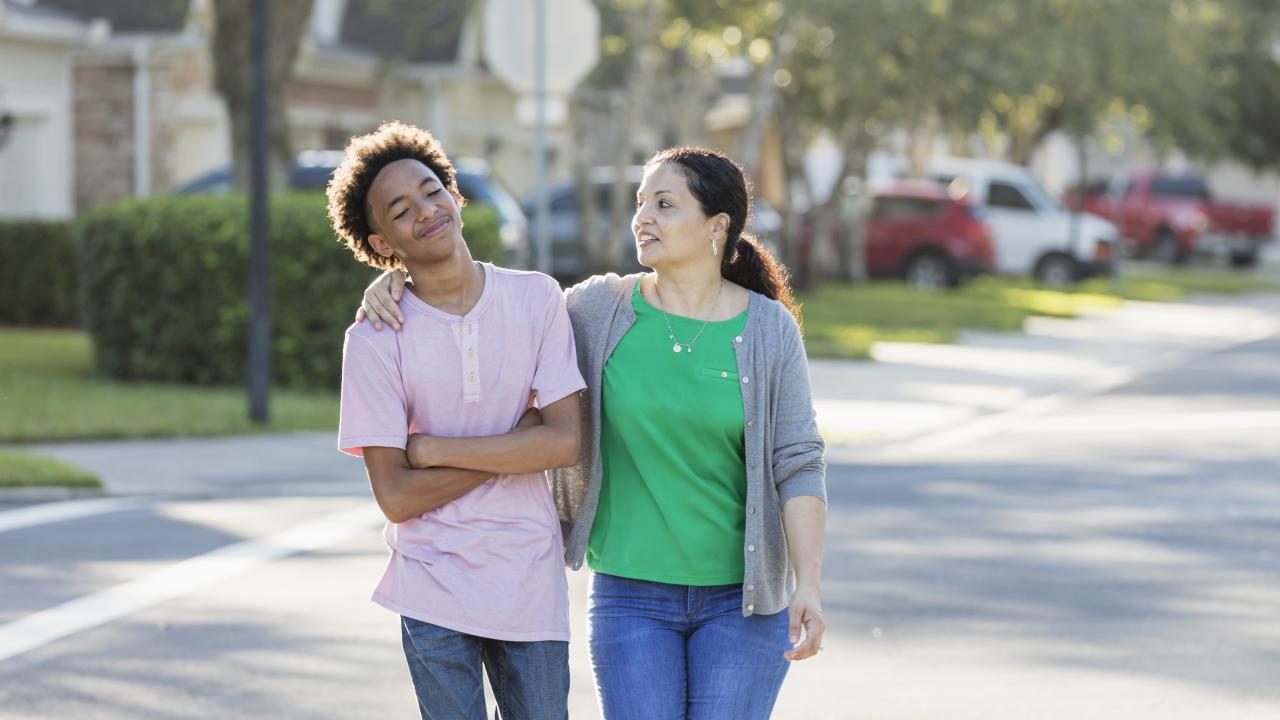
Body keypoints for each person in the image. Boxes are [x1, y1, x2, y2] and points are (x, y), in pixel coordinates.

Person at [360, 145, 827, 719]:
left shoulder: (767, 328)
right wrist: (394, 281)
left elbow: (798, 461)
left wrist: (808, 584)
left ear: (717, 225)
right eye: (640, 203)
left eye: (663, 204)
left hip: (744, 601)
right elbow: (488, 303)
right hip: (631, 596)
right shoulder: (596, 309)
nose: (642, 218)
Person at [329, 120, 585, 720]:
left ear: (455, 193)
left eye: (431, 190)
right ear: (381, 241)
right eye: (400, 210)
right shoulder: (373, 339)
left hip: (527, 572)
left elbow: (564, 442)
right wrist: (518, 443)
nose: (426, 210)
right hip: (431, 579)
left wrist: (436, 449)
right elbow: (395, 496)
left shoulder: (536, 298)